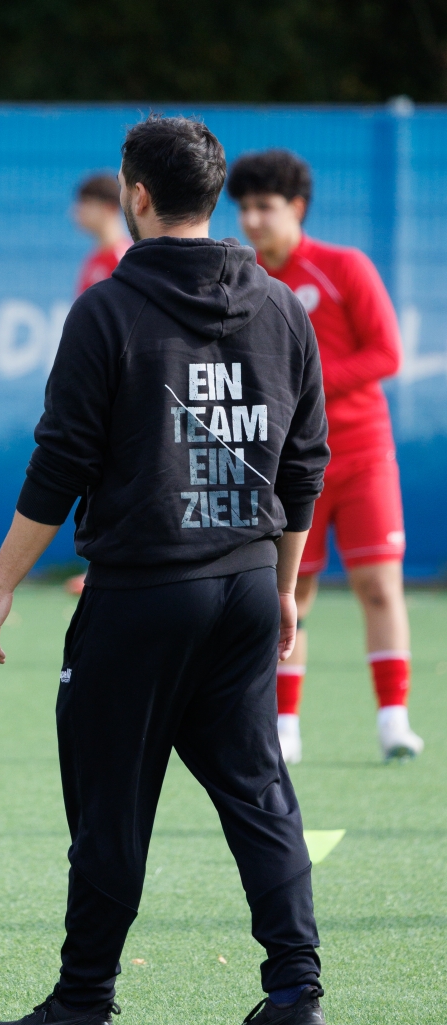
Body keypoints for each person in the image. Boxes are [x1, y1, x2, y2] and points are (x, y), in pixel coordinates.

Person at [0, 115, 335, 1025]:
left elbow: (60, 462)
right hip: (246, 584)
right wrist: (283, 585)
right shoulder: (282, 306)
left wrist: (0, 587)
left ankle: (83, 1004)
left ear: (135, 194)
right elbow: (303, 466)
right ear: (213, 197)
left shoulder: (106, 309)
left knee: (110, 805)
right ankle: (296, 996)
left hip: (139, 596)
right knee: (259, 793)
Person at [227, 149, 422, 765]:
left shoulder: (344, 267)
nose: (252, 219)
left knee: (379, 586)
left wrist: (303, 383)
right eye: (244, 207)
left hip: (362, 455)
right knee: (291, 592)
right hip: (284, 466)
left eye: (265, 206)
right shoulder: (241, 278)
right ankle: (284, 727)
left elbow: (386, 353)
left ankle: (393, 722)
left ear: (297, 207)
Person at [66, 173, 132, 596]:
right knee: (98, 478)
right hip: (96, 393)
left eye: (83, 203)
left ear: (108, 208)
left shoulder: (125, 258)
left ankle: (116, 565)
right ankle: (99, 565)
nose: (75, 212)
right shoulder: (94, 260)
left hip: (121, 395)